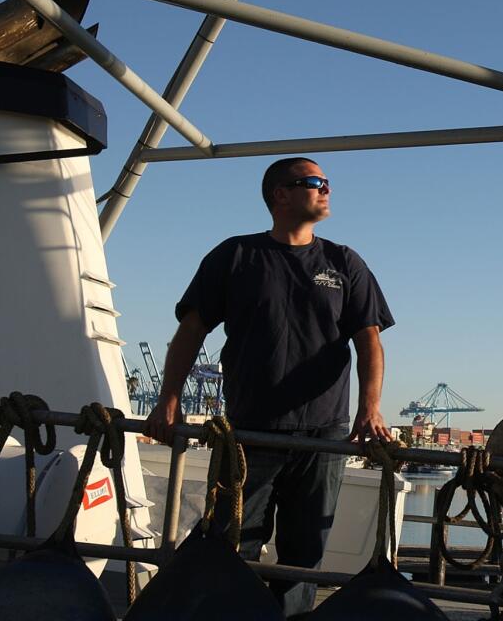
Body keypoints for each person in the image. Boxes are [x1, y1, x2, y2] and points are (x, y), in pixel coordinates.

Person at [145, 156, 394, 616]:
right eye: (315, 182)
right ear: (280, 194)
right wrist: (169, 401)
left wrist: (370, 409)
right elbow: (191, 332)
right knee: (232, 545)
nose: (327, 190)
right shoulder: (236, 256)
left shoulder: (344, 262)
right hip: (248, 434)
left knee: (304, 556)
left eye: (327, 183)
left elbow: (370, 343)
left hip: (324, 435)